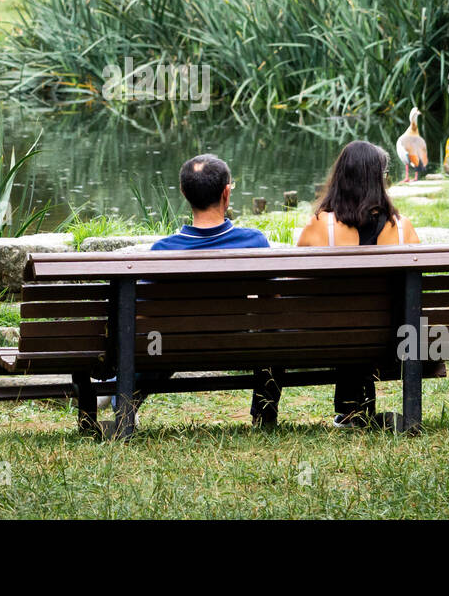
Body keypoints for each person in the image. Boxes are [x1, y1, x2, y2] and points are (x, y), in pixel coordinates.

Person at [103, 154, 278, 431]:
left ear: (184, 193)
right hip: (237, 342)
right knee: (272, 331)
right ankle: (265, 412)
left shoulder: (163, 251)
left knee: (154, 337)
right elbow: (272, 303)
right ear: (226, 192)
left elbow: (145, 313)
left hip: (174, 345)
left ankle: (124, 402)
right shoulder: (254, 242)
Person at [297, 140, 420, 428]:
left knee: (347, 319)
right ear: (381, 179)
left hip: (332, 339)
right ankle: (358, 411)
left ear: (339, 177)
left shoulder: (319, 226)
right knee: (369, 319)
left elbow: (295, 282)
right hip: (396, 340)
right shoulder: (403, 228)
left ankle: (352, 412)